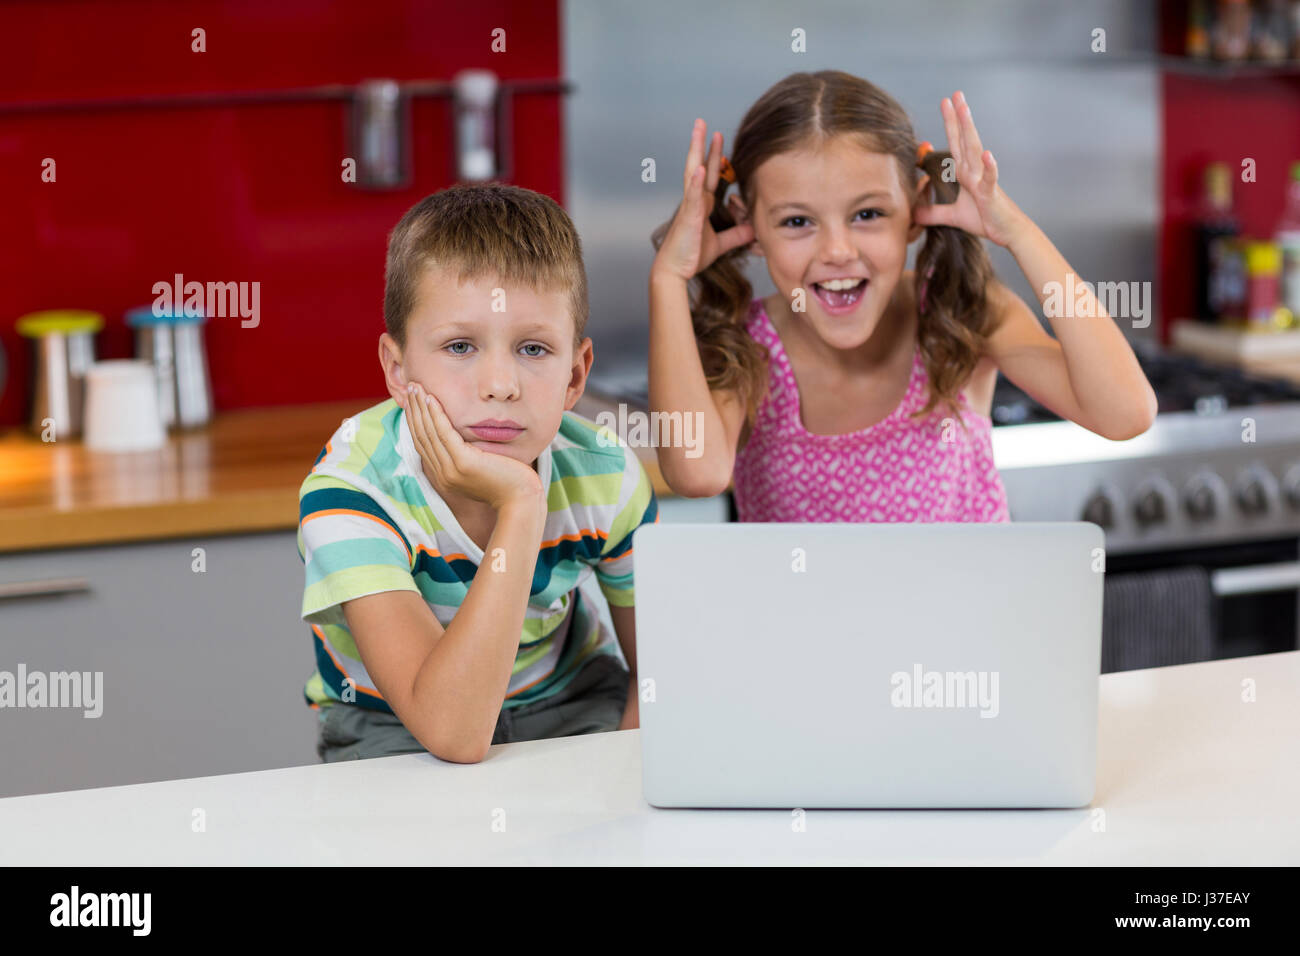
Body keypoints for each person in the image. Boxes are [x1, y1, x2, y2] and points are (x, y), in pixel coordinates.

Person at [648, 70, 1157, 521]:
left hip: (969, 628)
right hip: (807, 632)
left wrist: (1018, 233)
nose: (838, 251)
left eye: (867, 214)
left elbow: (1125, 413)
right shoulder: (748, 349)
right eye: (797, 221)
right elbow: (698, 474)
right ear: (750, 227)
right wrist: (668, 278)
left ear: (915, 212)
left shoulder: (962, 312)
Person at [299, 183, 656, 764]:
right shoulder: (354, 491)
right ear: (397, 367)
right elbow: (453, 732)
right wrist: (521, 506)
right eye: (461, 346)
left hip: (572, 703)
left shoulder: (606, 476)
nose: (500, 384)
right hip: (395, 721)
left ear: (575, 374)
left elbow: (661, 673)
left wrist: (620, 782)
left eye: (534, 350)